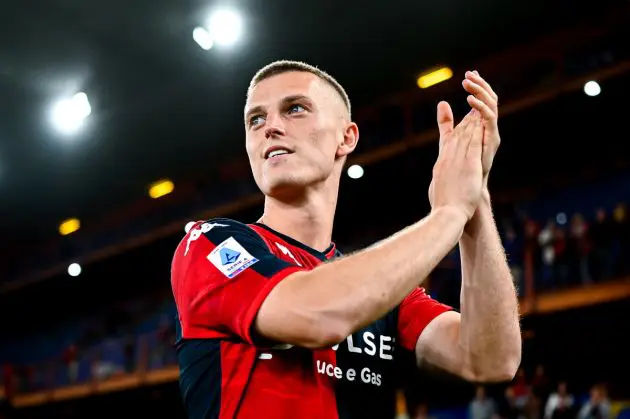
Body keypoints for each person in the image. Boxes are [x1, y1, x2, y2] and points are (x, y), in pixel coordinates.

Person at [170, 60, 521, 419]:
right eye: (255, 119)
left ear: (346, 137)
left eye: (295, 109)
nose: (270, 127)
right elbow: (315, 316)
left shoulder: (382, 289)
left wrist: (474, 195)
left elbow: (491, 360)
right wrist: (449, 213)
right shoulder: (208, 244)